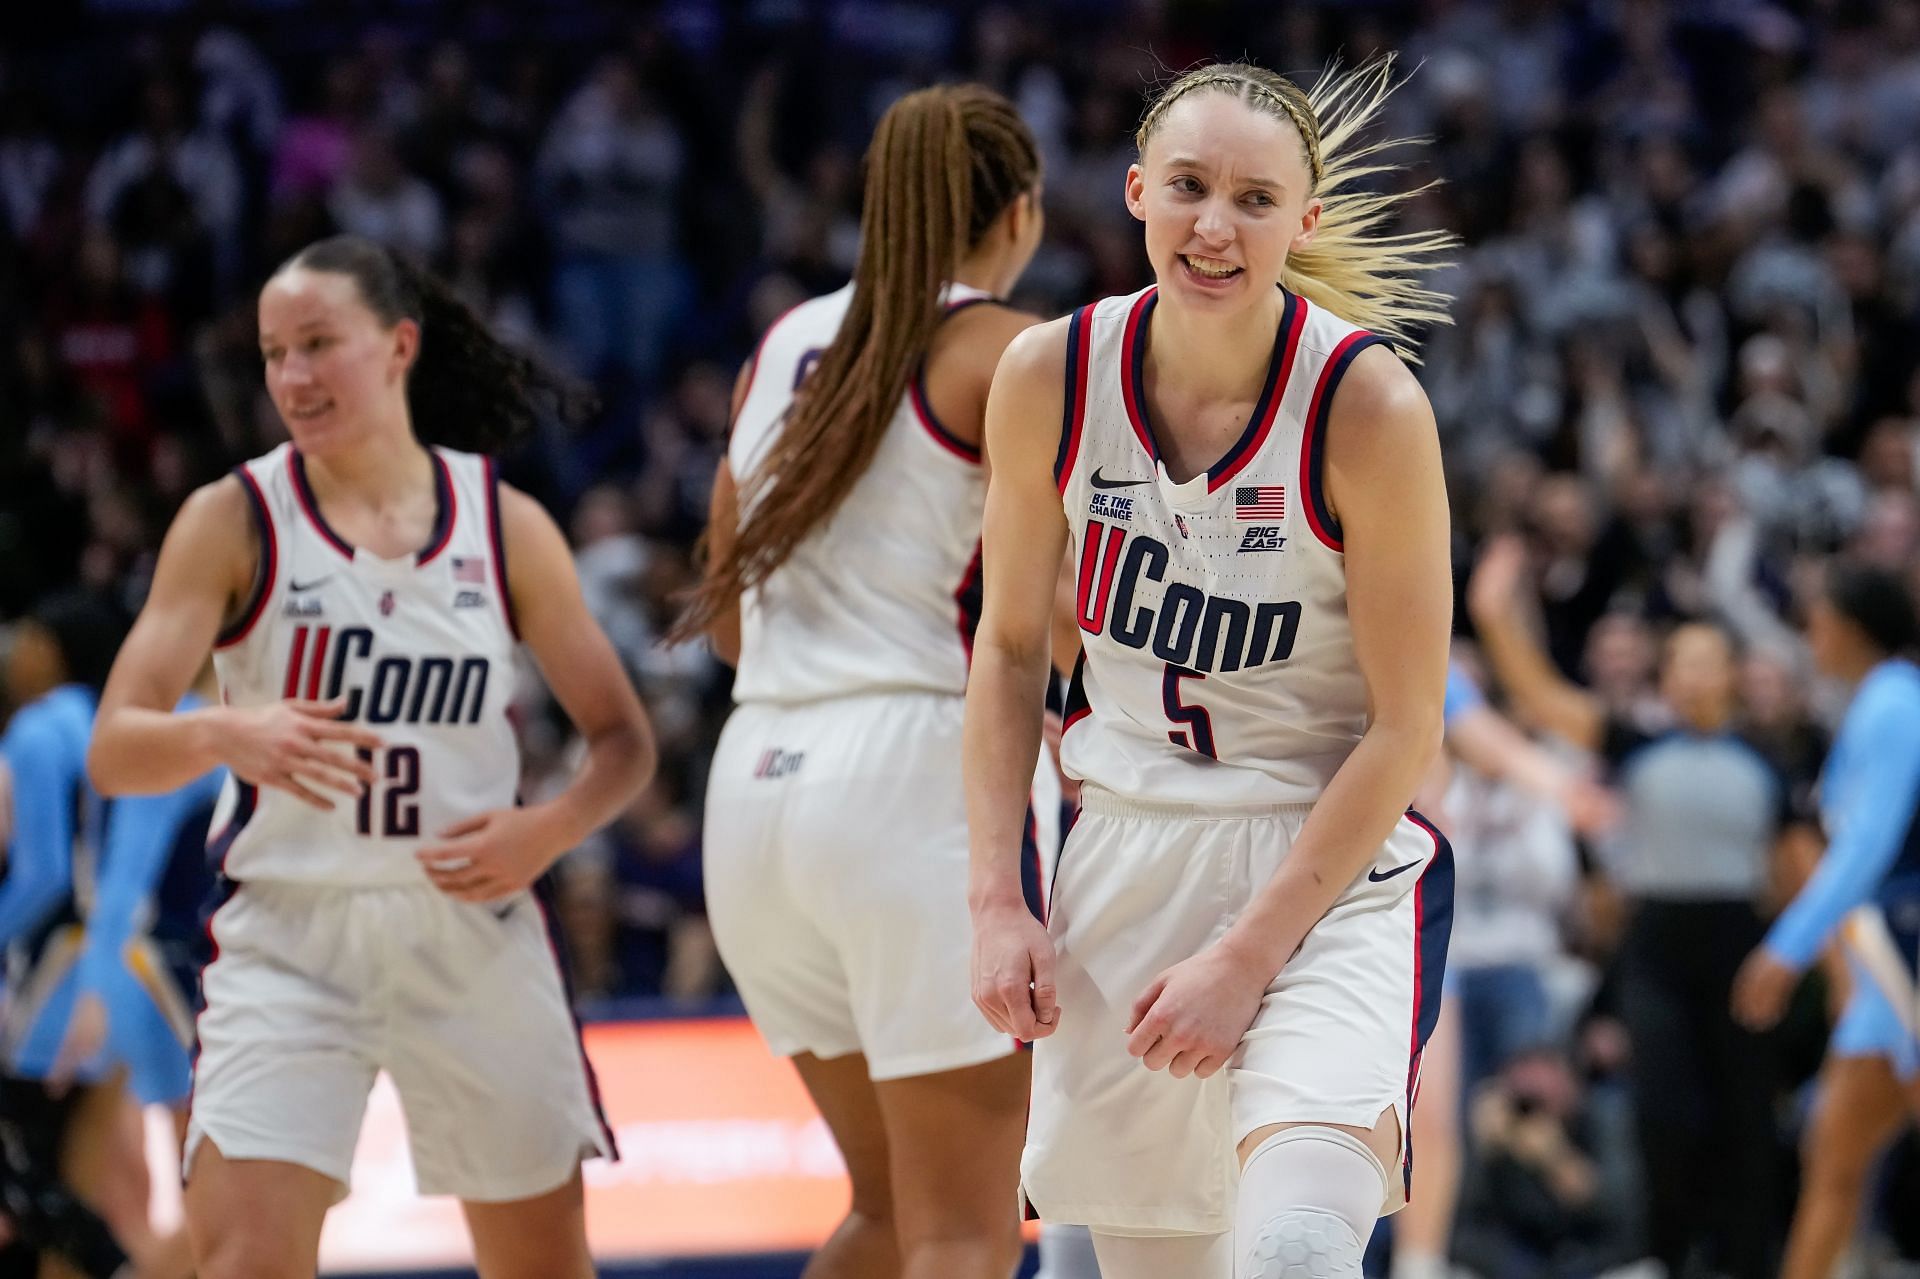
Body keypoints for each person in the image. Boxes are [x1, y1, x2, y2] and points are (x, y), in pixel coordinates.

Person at [964, 58, 1458, 1279]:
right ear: (1136, 192)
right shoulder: (1048, 376)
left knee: (1292, 1250)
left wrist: (1247, 957)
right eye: (1187, 187)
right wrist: (994, 898)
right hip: (1127, 850)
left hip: (1326, 867)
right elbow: (1013, 647)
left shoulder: (1368, 407)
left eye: (1252, 198)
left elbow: (1405, 730)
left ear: (1306, 220)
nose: (1214, 225)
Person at [85, 234, 657, 1279]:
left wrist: (550, 828)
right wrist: (225, 731)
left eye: (317, 344)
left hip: (474, 926)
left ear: (398, 345)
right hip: (292, 935)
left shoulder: (504, 524)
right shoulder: (232, 519)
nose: (292, 377)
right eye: (272, 353)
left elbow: (623, 741)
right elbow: (116, 750)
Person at [678, 84, 1048, 1279]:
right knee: (963, 1232)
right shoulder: (1005, 349)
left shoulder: (779, 344)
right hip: (910, 788)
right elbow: (1075, 616)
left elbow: (725, 621)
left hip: (754, 793)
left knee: (891, 1218)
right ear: (1022, 213)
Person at [1467, 534, 1793, 1279]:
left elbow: (1795, 874)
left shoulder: (1768, 760)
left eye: (1708, 661)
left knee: (1747, 1119)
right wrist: (1495, 614)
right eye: (1680, 661)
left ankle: (1749, 1263)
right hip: (1656, 946)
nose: (1693, 673)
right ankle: (1665, 1259)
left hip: (1744, 944)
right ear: (1667, 677)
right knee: (1664, 1117)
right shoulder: (1633, 743)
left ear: (1733, 677)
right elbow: (1542, 692)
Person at [1731, 561, 1920, 1279]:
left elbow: (1869, 842)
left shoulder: (1896, 699)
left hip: (1909, 946)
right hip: (1884, 967)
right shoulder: (1873, 702)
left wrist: (1788, 947)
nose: (1807, 633)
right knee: (1833, 1158)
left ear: (1843, 625)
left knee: (1835, 1164)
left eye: (1814, 618)